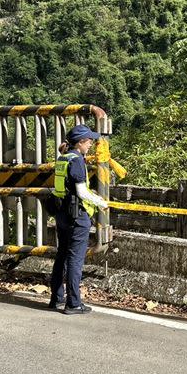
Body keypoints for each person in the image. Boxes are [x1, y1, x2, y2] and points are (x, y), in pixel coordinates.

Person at [49, 125, 109, 315]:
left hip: (62, 214)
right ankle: (73, 303)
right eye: (89, 141)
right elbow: (81, 191)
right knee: (75, 260)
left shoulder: (63, 158)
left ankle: (56, 298)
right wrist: (100, 202)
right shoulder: (76, 161)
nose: (91, 144)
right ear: (81, 142)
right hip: (77, 215)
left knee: (62, 256)